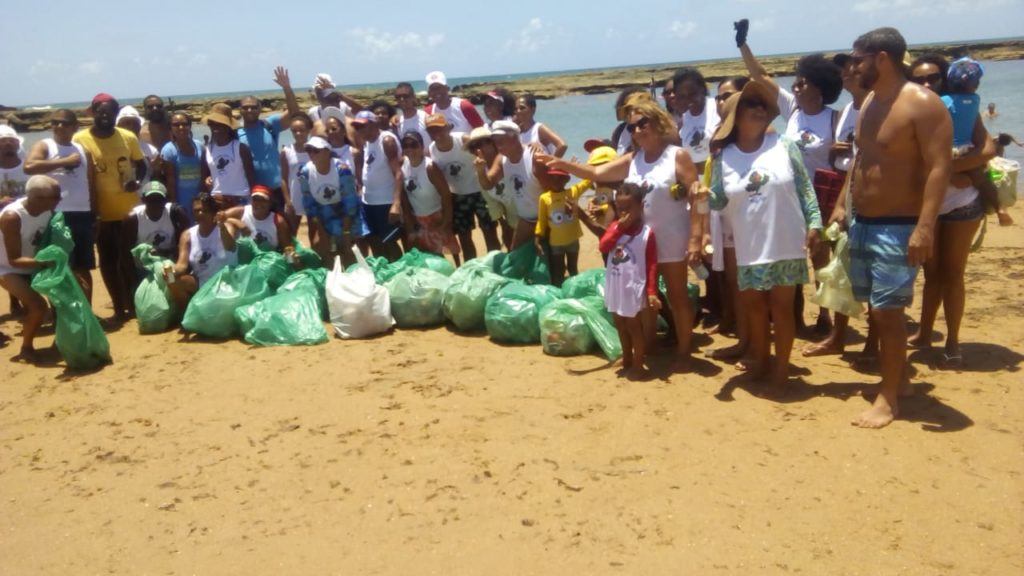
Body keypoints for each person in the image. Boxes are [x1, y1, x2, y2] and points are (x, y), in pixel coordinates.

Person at [835, 27, 952, 428]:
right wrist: (843, 205)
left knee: (889, 313)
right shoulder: (869, 103)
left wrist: (925, 228)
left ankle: (888, 398)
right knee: (877, 309)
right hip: (864, 221)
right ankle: (899, 381)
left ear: (881, 58)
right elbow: (862, 159)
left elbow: (940, 167)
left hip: (899, 226)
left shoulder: (923, 103)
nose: (853, 67)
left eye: (857, 59)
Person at [539, 99, 702, 371]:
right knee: (642, 297)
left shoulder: (677, 156)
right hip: (638, 242)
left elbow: (697, 197)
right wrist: (561, 164)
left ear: (658, 122)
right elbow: (595, 172)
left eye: (643, 123)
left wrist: (697, 237)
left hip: (672, 238)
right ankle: (649, 346)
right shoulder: (634, 159)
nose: (637, 130)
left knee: (677, 296)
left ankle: (684, 351)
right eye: (632, 127)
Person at [704, 80, 823, 395]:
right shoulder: (724, 157)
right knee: (754, 306)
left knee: (781, 308)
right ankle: (762, 359)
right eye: (750, 105)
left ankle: (781, 369)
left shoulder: (784, 145)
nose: (758, 109)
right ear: (735, 117)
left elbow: (804, 187)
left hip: (785, 237)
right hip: (748, 242)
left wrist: (815, 223)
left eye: (761, 105)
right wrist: (700, 194)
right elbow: (718, 201)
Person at [739, 22, 843, 334]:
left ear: (820, 88)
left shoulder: (834, 118)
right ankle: (794, 316)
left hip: (822, 194)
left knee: (822, 257)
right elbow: (761, 77)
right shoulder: (793, 109)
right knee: (793, 254)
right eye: (795, 83)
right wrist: (743, 45)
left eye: (802, 84)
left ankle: (825, 314)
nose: (796, 88)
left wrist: (843, 148)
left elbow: (849, 156)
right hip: (790, 196)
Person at [904, 55, 997, 370]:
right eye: (920, 80)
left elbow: (987, 150)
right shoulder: (912, 109)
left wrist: (949, 171)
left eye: (933, 78)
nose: (927, 85)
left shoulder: (962, 107)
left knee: (953, 274)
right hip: (927, 204)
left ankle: (953, 341)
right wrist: (950, 172)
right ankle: (924, 332)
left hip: (962, 202)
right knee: (930, 275)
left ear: (946, 79)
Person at [802, 53, 874, 358]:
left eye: (853, 66)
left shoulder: (878, 105)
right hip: (846, 194)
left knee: (869, 271)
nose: (847, 72)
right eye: (843, 68)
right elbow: (853, 159)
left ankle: (873, 343)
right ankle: (838, 335)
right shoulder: (846, 112)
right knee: (840, 268)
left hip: (873, 199)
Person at [73, 93, 147, 320]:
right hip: (99, 212)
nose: (105, 115)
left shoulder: (127, 137)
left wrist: (137, 182)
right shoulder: (80, 139)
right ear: (93, 112)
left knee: (128, 259)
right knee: (107, 260)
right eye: (101, 111)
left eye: (111, 112)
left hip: (128, 210)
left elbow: (141, 165)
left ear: (116, 114)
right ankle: (117, 306)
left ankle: (133, 304)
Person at [23, 109, 96, 300]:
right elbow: (29, 167)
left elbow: (90, 182)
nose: (59, 126)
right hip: (57, 214)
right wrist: (64, 161)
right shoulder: (45, 145)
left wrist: (95, 212)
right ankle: (61, 317)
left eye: (64, 123)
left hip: (82, 213)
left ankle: (86, 314)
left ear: (75, 127)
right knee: (59, 266)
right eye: (55, 122)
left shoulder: (82, 150)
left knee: (83, 266)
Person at [599, 182, 660, 380]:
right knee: (619, 323)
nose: (624, 213)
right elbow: (603, 245)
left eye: (628, 208)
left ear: (640, 207)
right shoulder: (615, 228)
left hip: (632, 287)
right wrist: (619, 228)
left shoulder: (646, 234)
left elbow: (652, 264)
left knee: (634, 326)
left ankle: (638, 363)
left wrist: (651, 292)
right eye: (620, 208)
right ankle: (626, 358)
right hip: (615, 285)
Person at [941, 57, 1009, 226]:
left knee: (963, 175)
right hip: (969, 148)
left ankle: (954, 176)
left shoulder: (943, 101)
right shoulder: (975, 100)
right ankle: (1000, 208)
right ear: (976, 85)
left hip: (951, 150)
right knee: (981, 178)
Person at [0, 176, 61, 362]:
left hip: (34, 263)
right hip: (7, 268)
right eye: (55, 197)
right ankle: (26, 348)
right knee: (38, 306)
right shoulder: (12, 217)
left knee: (62, 301)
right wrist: (44, 263)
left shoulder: (48, 211)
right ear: (39, 198)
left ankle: (60, 343)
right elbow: (14, 260)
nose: (59, 201)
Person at [427, 113, 500, 259]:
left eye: (440, 129)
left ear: (448, 128)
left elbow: (491, 152)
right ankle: (470, 268)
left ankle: (496, 266)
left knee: (489, 233)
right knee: (464, 238)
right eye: (432, 131)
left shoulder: (463, 140)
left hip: (480, 193)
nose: (437, 134)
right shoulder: (432, 149)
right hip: (458, 196)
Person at [236, 66, 301, 212]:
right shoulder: (234, 133)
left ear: (259, 109)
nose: (249, 110)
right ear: (239, 110)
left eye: (253, 107)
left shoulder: (270, 125)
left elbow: (295, 113)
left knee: (283, 229)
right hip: (252, 192)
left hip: (277, 189)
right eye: (245, 108)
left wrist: (287, 88)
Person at [474, 120, 546, 250]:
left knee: (552, 262)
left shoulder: (534, 156)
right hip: (525, 219)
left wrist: (542, 226)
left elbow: (551, 191)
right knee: (515, 257)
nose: (497, 143)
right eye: (494, 139)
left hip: (545, 217)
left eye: (500, 139)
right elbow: (488, 185)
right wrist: (480, 170)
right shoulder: (502, 159)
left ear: (513, 137)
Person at [165, 193, 241, 310]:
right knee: (172, 280)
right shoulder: (187, 235)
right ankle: (186, 315)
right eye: (196, 211)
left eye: (205, 210)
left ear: (213, 212)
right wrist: (170, 272)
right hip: (201, 283)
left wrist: (222, 227)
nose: (200, 213)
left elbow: (230, 247)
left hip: (226, 283)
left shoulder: (226, 227)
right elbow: (182, 265)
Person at [299, 136, 366, 266]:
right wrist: (321, 232)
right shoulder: (305, 172)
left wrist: (346, 232)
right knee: (325, 251)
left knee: (350, 252)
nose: (312, 154)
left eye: (316, 150)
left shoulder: (342, 169)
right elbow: (310, 206)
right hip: (324, 216)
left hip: (347, 216)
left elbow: (350, 205)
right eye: (309, 150)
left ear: (327, 151)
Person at [398, 131, 459, 259]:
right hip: (418, 219)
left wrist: (445, 222)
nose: (409, 149)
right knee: (429, 256)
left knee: (447, 254)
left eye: (414, 145)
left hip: (436, 217)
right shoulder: (404, 165)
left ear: (421, 146)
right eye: (405, 145)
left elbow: (446, 196)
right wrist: (410, 223)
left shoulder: (430, 168)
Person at [351, 110, 403, 261]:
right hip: (369, 202)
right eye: (357, 127)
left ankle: (398, 274)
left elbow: (398, 174)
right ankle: (383, 275)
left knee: (390, 242)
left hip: (385, 202)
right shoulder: (367, 143)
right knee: (375, 242)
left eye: (363, 126)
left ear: (374, 124)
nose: (360, 130)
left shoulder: (386, 141)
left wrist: (396, 204)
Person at [534, 166, 588, 286]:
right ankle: (558, 293)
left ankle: (575, 290)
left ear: (566, 180)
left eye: (560, 178)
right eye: (553, 178)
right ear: (549, 179)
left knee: (573, 268)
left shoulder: (572, 192)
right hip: (556, 243)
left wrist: (575, 168)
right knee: (558, 270)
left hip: (573, 240)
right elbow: (541, 220)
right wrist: (537, 238)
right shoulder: (544, 198)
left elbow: (588, 180)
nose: (556, 181)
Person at [467, 126, 516, 249]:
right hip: (510, 213)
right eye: (475, 146)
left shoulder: (507, 159)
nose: (479, 148)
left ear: (494, 143)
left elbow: (489, 184)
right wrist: (504, 224)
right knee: (508, 238)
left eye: (485, 142)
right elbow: (492, 201)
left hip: (527, 211)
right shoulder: (480, 171)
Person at [201, 102, 255, 208]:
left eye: (220, 124)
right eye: (212, 124)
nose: (215, 127)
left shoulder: (241, 148)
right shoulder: (207, 150)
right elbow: (204, 177)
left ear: (228, 126)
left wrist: (254, 200)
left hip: (241, 199)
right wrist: (207, 180)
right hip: (217, 200)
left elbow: (251, 178)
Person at [122, 182, 188, 267]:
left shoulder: (175, 213)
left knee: (171, 277)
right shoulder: (133, 219)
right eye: (151, 200)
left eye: (159, 200)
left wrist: (164, 252)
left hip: (169, 268)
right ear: (143, 200)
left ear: (166, 201)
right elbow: (125, 254)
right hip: (142, 269)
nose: (155, 204)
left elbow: (187, 246)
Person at [160, 112, 205, 224]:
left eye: (185, 124)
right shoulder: (168, 150)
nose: (181, 127)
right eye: (176, 124)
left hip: (199, 198)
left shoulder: (199, 145)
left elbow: (204, 173)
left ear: (190, 126)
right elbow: (170, 181)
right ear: (170, 128)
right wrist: (174, 206)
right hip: (181, 200)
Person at [672, 68, 719, 173]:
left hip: (718, 176)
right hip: (696, 181)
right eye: (682, 96)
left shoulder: (717, 108)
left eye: (692, 94)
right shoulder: (682, 120)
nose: (688, 99)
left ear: (702, 89)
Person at [225, 185, 292, 253]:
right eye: (255, 199)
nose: (259, 203)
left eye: (263, 200)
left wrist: (291, 256)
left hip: (267, 260)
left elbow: (287, 247)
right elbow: (217, 218)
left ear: (270, 202)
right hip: (241, 258)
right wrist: (236, 222)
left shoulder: (278, 221)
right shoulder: (241, 212)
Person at [280, 113, 313, 235]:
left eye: (301, 130)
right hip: (295, 199)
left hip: (313, 197)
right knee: (291, 234)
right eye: (294, 131)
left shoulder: (316, 149)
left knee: (315, 234)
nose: (298, 134)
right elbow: (283, 178)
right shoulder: (287, 151)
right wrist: (288, 201)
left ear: (309, 130)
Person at [116, 105, 159, 185]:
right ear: (118, 125)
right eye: (127, 123)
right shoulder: (110, 148)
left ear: (140, 126)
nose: (131, 127)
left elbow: (155, 179)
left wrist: (157, 169)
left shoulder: (151, 151)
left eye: (135, 123)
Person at [393, 82, 431, 148]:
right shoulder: (397, 123)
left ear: (413, 97)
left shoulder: (426, 118)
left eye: (405, 96)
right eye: (398, 97)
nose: (402, 99)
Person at [0, 125, 28, 207]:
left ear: (18, 145)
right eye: (2, 141)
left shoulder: (30, 168)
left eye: (12, 141)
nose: (8, 144)